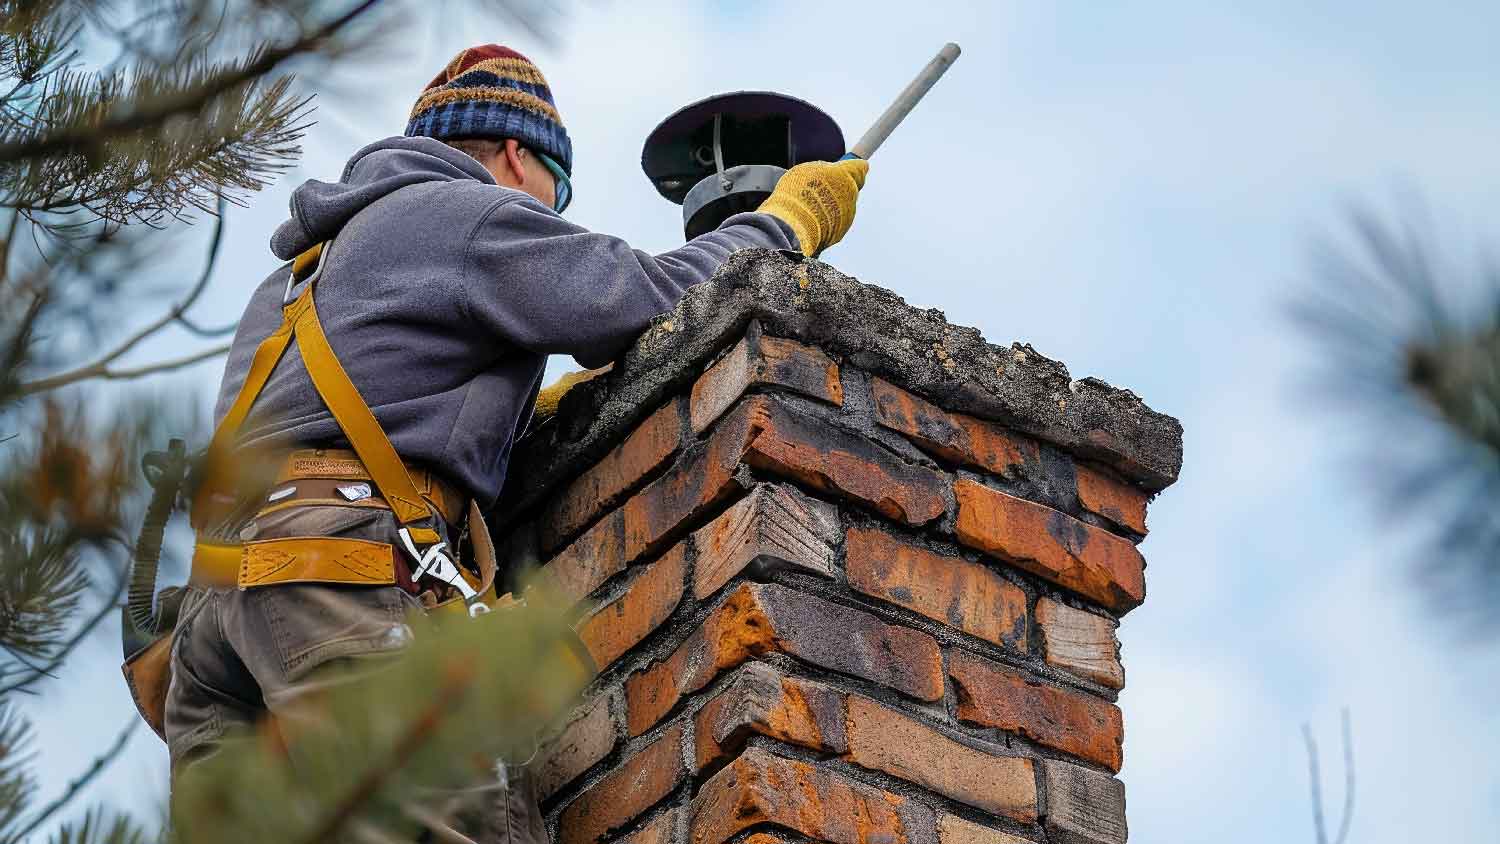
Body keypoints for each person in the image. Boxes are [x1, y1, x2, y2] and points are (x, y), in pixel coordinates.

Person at [162, 44, 868, 842]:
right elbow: (653, 295)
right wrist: (783, 221)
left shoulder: (297, 275)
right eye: (557, 189)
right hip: (334, 584)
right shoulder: (464, 211)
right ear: (512, 153)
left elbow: (364, 410)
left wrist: (525, 415)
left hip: (213, 632)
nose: (554, 211)